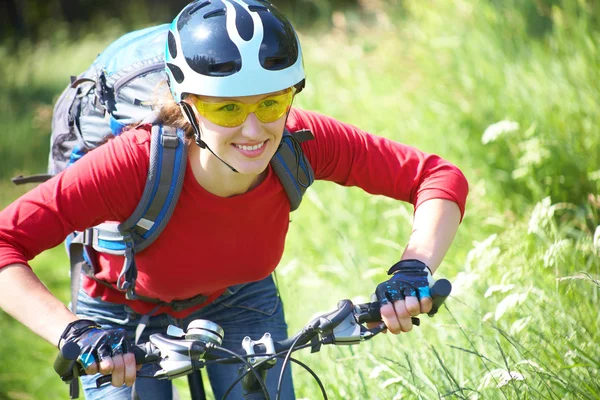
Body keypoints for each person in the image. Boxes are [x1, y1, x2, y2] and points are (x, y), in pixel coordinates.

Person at [0, 0, 468, 399]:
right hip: (119, 316)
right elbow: (5, 243)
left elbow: (435, 177)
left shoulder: (300, 141)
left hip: (240, 298)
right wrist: (74, 333)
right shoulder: (133, 164)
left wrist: (414, 269)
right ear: (187, 104)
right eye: (226, 108)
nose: (253, 130)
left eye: (271, 103)